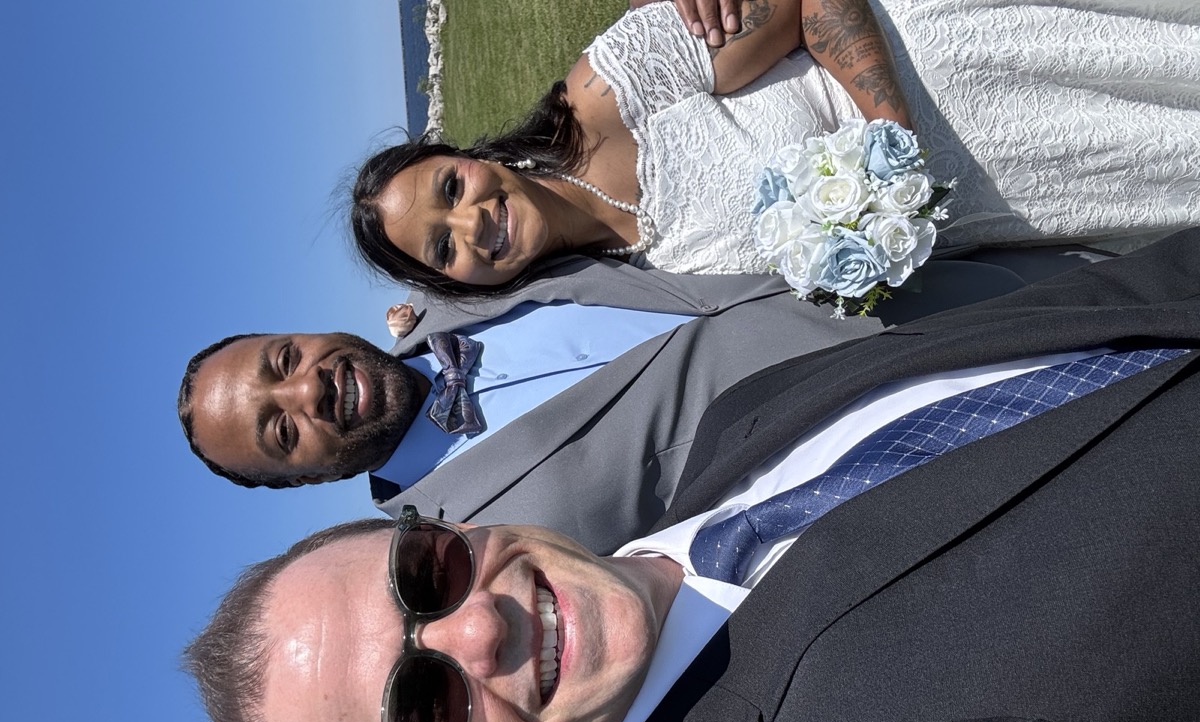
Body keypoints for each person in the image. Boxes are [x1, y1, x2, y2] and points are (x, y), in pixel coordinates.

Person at [186, 230, 1200, 722]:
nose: (479, 628)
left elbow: (1110, 311)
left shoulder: (742, 427)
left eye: (423, 576)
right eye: (423, 705)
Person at [180, 256, 1050, 552]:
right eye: (281, 426)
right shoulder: (471, 549)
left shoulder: (453, 288)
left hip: (931, 268)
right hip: (963, 418)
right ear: (299, 483)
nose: (309, 386)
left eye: (283, 361)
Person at [349, 0, 1200, 298]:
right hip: (1006, 207)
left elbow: (799, 2)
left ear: (473, 157)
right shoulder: (616, 290)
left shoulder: (602, 97)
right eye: (442, 246)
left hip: (960, 74)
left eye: (451, 188)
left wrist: (889, 141)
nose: (472, 223)